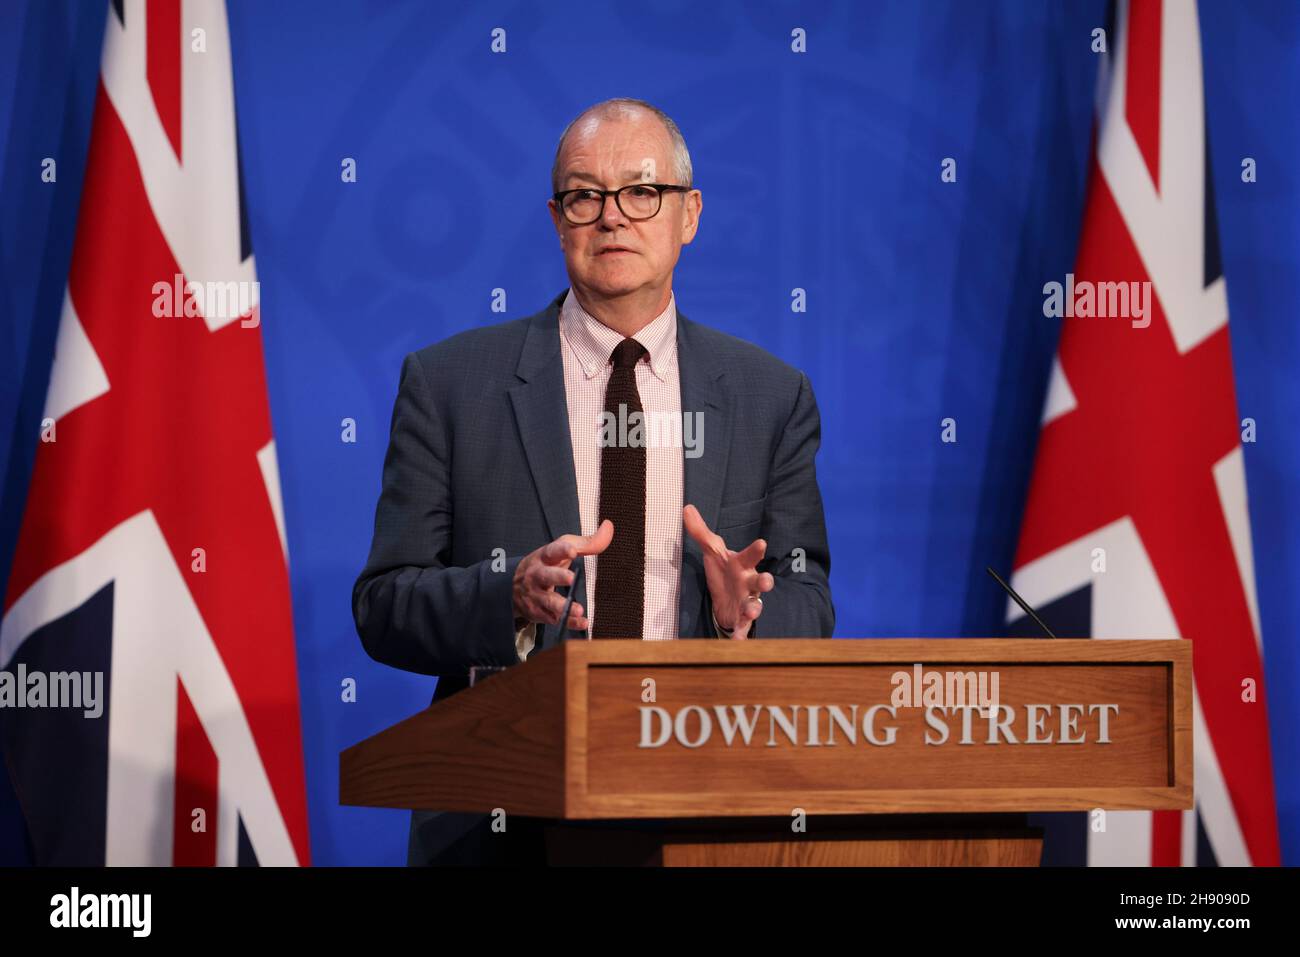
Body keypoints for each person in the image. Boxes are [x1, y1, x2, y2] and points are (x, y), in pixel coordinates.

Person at [353, 97, 834, 865]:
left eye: (642, 192)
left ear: (690, 214)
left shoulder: (769, 396)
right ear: (557, 219)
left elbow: (809, 599)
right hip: (505, 817)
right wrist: (503, 594)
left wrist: (740, 618)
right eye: (585, 196)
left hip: (706, 807)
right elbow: (382, 604)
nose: (613, 217)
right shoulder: (449, 385)